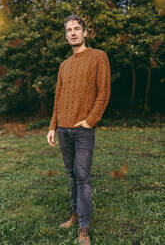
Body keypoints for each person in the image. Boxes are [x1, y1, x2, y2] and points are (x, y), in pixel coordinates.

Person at [47, 14, 111, 245]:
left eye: (76, 29)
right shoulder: (64, 65)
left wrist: (89, 121)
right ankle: (75, 213)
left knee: (82, 176)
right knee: (71, 175)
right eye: (68, 30)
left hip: (83, 130)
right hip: (63, 130)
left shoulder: (98, 57)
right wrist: (53, 126)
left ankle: (84, 227)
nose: (72, 33)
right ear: (66, 36)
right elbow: (58, 97)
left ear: (85, 32)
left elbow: (103, 93)